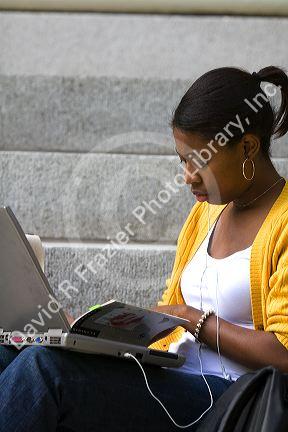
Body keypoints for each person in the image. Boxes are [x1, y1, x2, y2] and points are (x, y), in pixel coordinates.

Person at [1, 65, 288, 432]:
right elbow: (170, 316)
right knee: (16, 350)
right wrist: (98, 332)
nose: (187, 176)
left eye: (200, 160)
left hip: (231, 400)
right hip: (172, 379)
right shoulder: (206, 214)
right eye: (183, 161)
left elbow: (282, 353)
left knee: (45, 369)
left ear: (247, 146)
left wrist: (193, 319)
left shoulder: (283, 221)